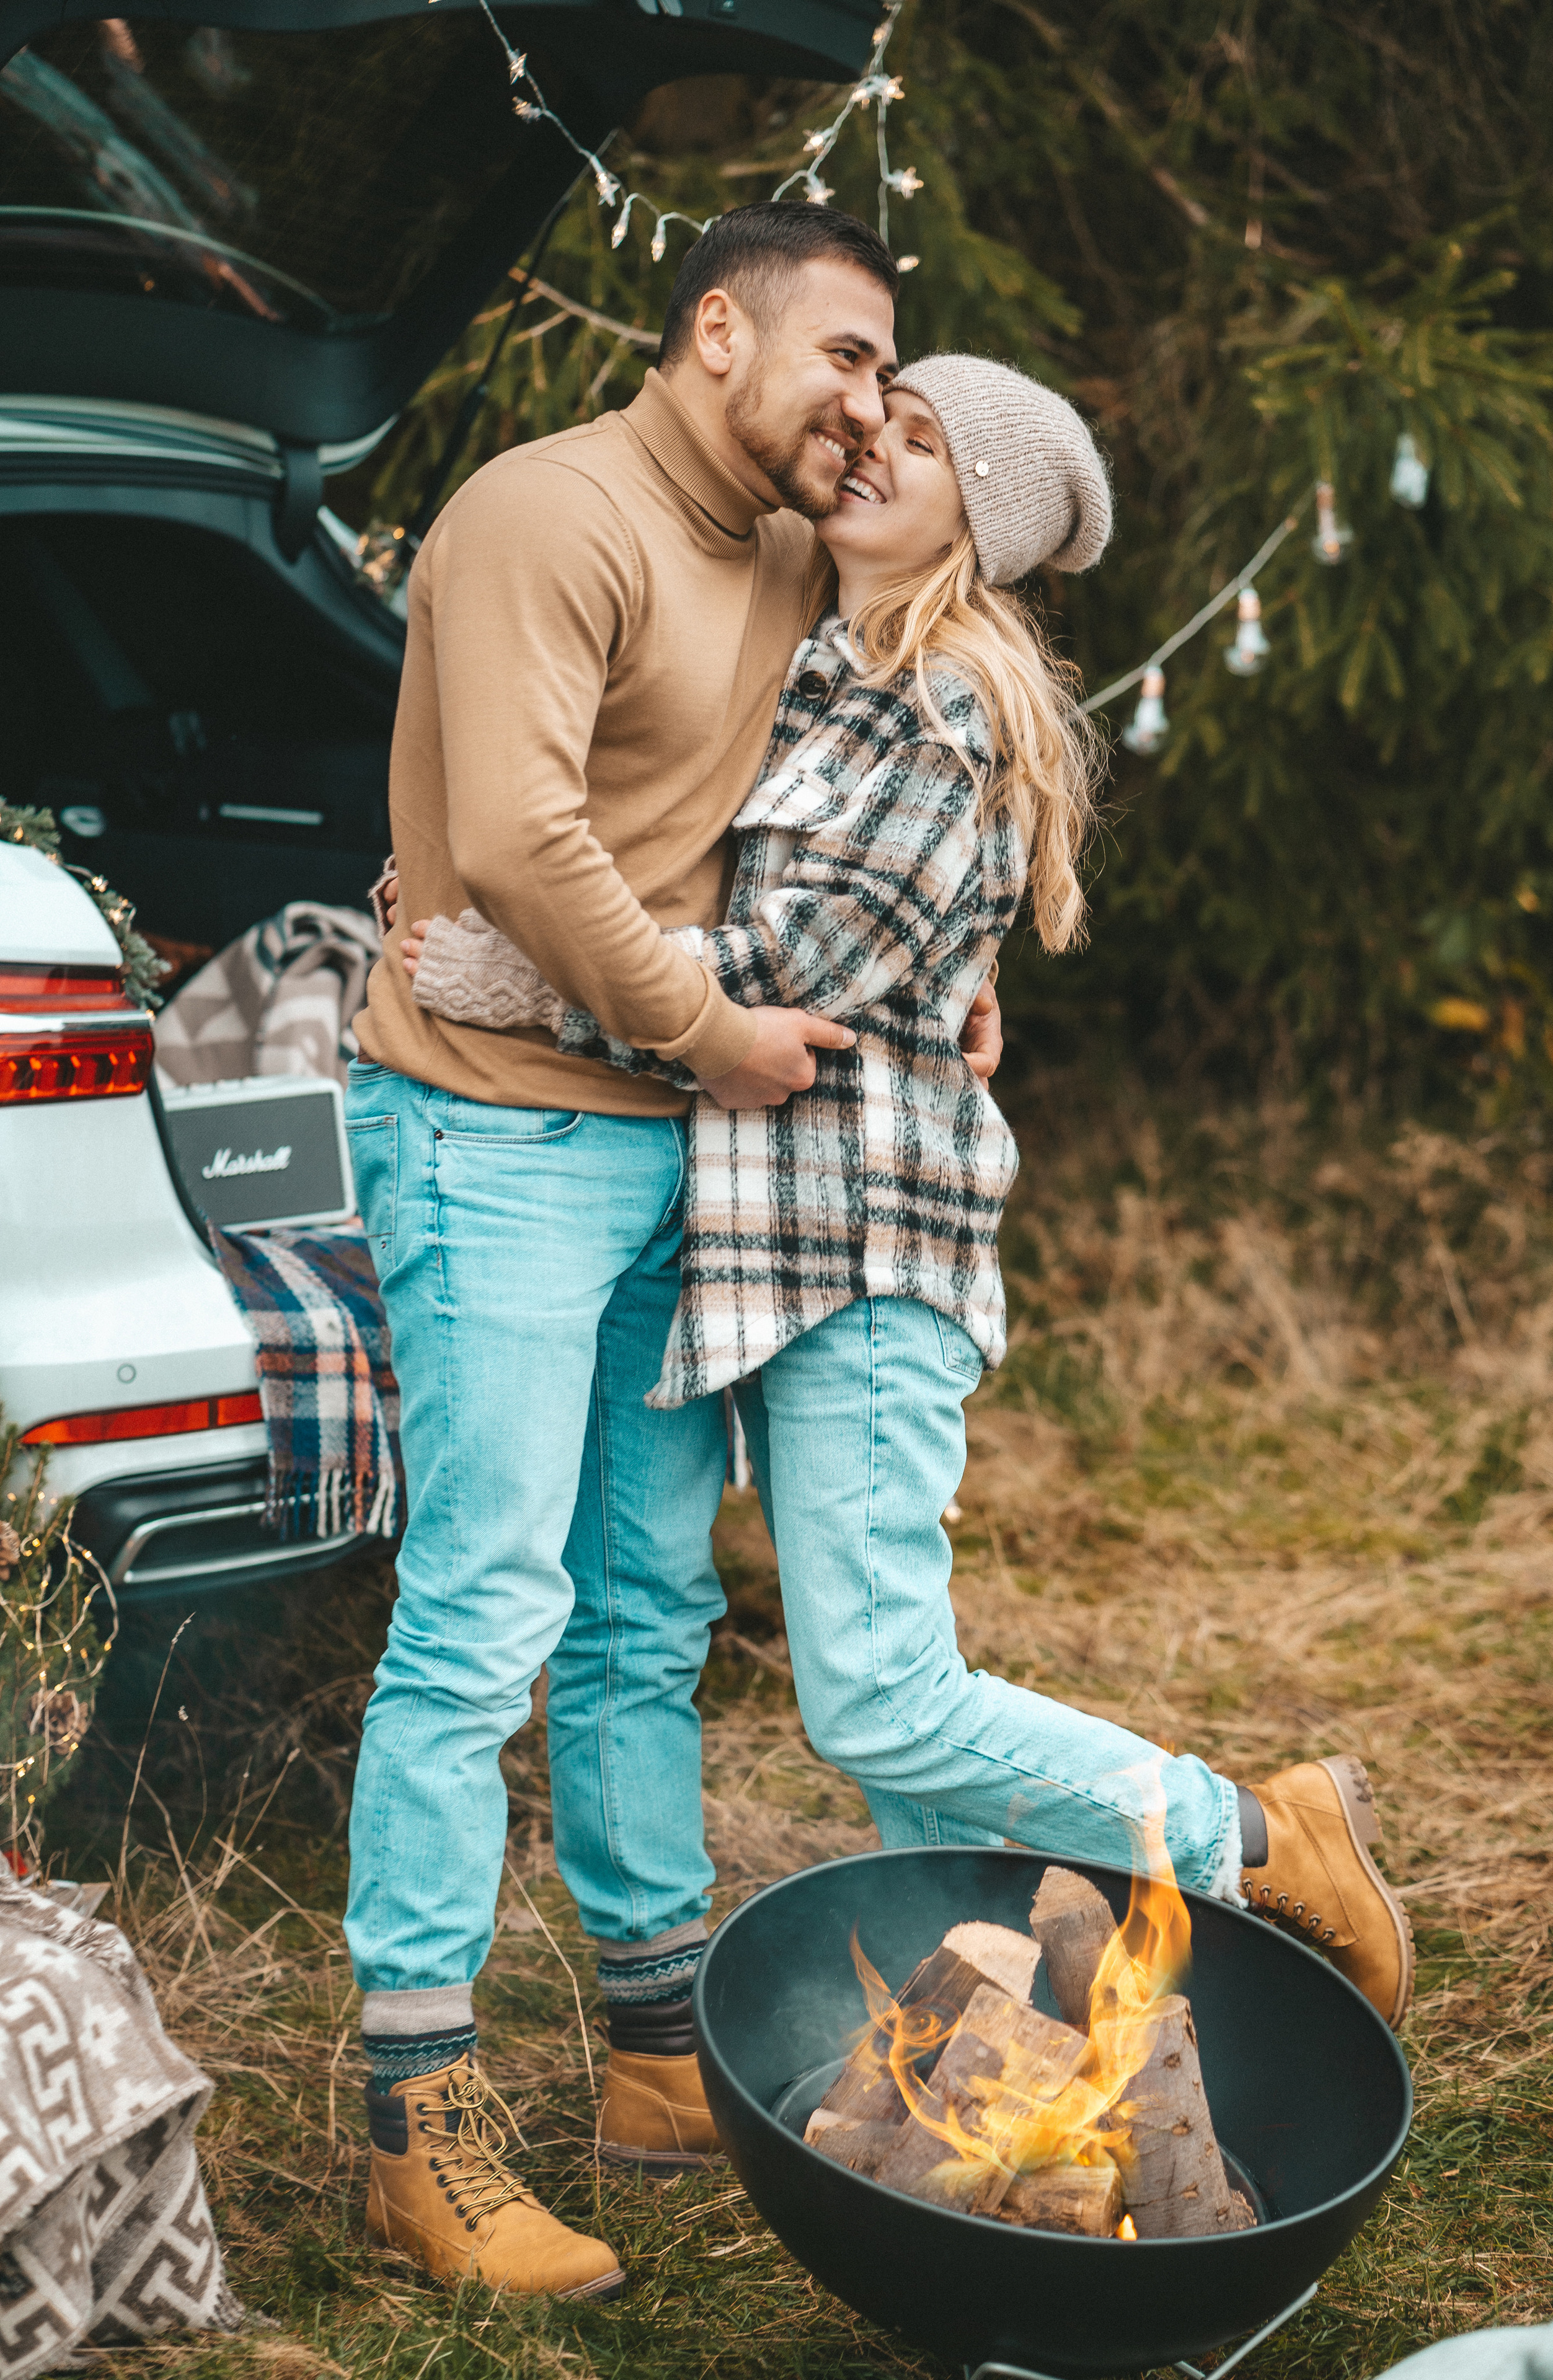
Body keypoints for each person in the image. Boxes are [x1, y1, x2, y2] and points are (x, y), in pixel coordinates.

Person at [399, 358, 1415, 2073]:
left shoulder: (943, 703)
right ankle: (975, 2049)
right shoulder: (814, 654)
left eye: (926, 441)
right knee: (849, 1720)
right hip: (754, 1248)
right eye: (884, 414)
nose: (876, 439)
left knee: (877, 1689)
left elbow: (787, 970)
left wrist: (518, 974)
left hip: (868, 1252)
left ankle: (1248, 1833)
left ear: (984, 525)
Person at [342, 203, 1005, 2303]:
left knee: (643, 1612)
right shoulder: (549, 512)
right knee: (484, 1611)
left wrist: (964, 979)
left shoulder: (804, 547)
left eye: (892, 378)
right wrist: (713, 1030)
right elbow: (527, 837)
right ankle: (413, 2126)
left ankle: (649, 2055)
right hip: (497, 1131)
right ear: (716, 328)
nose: (869, 407)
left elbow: (874, 804)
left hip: (690, 1171)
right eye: (844, 358)